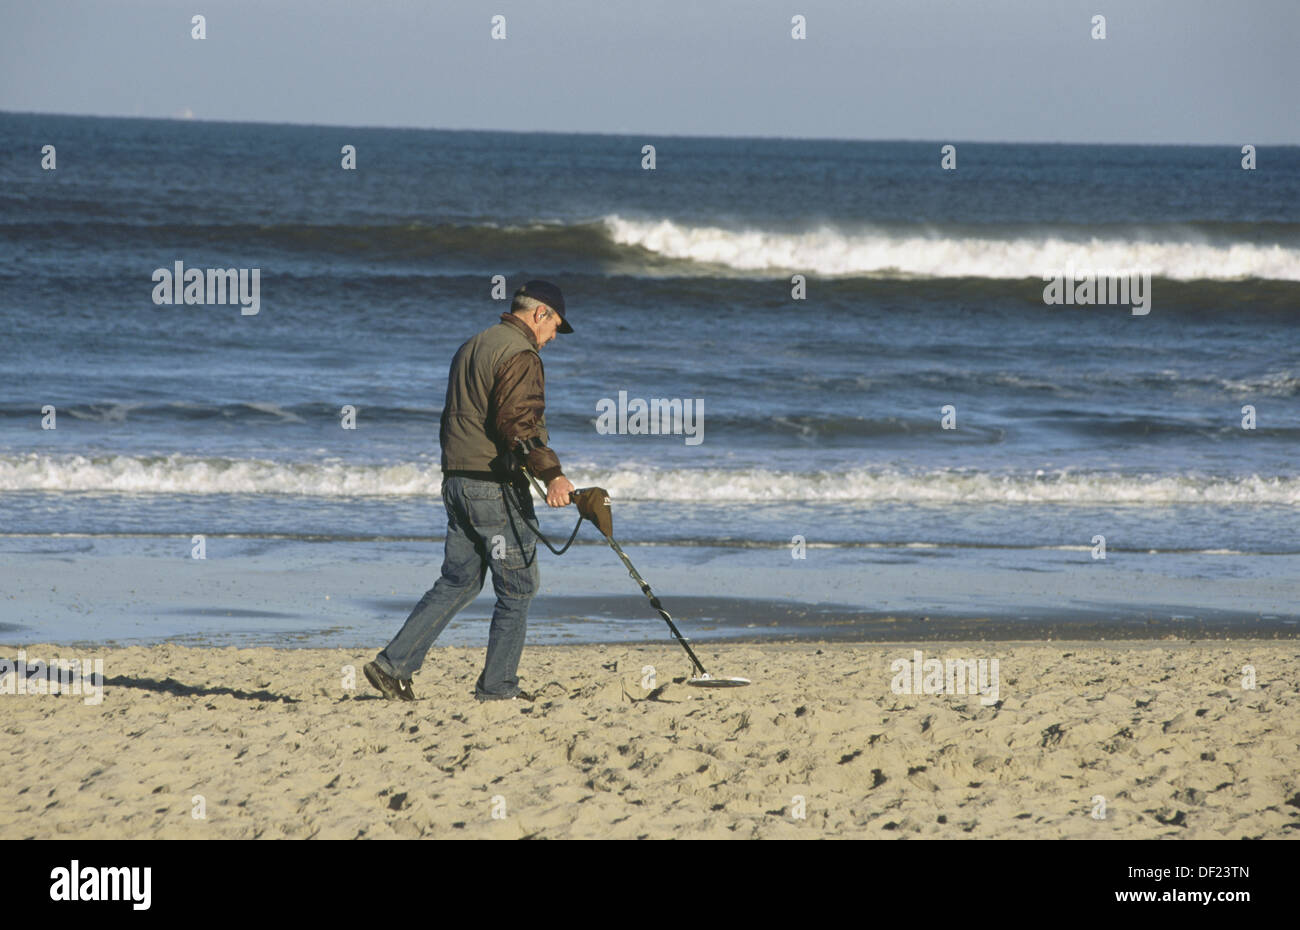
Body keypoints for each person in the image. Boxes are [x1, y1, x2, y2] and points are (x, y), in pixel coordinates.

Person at [364, 281, 575, 702]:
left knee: (460, 581)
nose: (553, 338)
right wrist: (552, 474)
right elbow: (518, 422)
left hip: (456, 480)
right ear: (540, 315)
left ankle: (393, 665)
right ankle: (498, 688)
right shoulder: (520, 353)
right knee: (517, 588)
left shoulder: (471, 346)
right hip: (492, 486)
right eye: (555, 327)